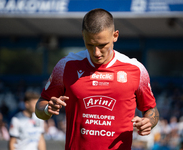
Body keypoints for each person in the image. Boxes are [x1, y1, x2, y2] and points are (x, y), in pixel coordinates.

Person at [35, 8, 159, 150]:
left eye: (102, 45)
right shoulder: (66, 66)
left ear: (115, 35)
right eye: (90, 45)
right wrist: (46, 109)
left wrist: (148, 121)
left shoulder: (136, 69)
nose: (96, 53)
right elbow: (40, 108)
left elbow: (151, 110)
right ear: (83, 36)